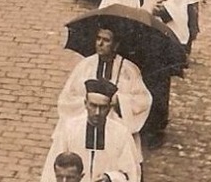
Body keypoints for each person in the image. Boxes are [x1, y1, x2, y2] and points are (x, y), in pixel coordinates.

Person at [101, 0, 189, 147]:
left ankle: (155, 123)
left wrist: (165, 10)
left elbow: (179, 0)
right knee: (130, 77)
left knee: (156, 79)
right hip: (131, 35)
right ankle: (129, 117)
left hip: (155, 36)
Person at [56, 25, 152, 159]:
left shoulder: (128, 70)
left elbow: (143, 100)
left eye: (106, 40)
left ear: (116, 45)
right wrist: (90, 103)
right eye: (98, 38)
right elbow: (67, 98)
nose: (100, 44)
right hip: (86, 122)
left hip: (116, 126)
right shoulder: (85, 65)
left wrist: (119, 101)